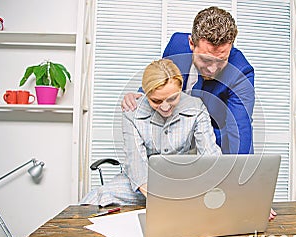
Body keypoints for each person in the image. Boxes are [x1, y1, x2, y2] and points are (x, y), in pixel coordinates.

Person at [80, 59, 222, 206]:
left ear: (180, 89)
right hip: (144, 185)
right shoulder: (132, 112)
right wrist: (160, 200)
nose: (166, 107)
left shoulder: (196, 107)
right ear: (145, 93)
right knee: (99, 196)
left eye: (173, 98)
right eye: (157, 101)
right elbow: (136, 164)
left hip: (182, 181)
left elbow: (210, 155)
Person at [121, 6, 255, 155]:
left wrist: (242, 172)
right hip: (173, 139)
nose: (212, 70)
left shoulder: (241, 71)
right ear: (192, 43)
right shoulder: (177, 45)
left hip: (213, 145)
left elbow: (239, 129)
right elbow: (162, 79)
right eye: (205, 60)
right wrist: (140, 97)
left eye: (221, 60)